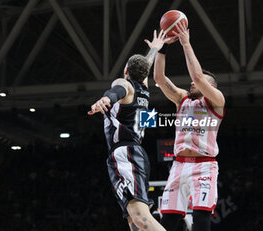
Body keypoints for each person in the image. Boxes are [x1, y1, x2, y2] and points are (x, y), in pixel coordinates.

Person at [88, 30, 169, 231]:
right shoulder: (143, 88)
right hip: (133, 152)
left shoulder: (124, 84)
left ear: (126, 70)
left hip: (125, 152)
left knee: (140, 218)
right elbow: (144, 68)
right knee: (133, 221)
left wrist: (106, 99)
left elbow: (116, 91)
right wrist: (154, 49)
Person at [154, 22, 225, 231]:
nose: (192, 83)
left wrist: (186, 44)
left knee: (202, 219)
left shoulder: (217, 100)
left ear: (210, 87)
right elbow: (159, 78)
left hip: (204, 165)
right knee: (167, 221)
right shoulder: (182, 98)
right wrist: (163, 49)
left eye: (199, 83)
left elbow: (198, 77)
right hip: (178, 165)